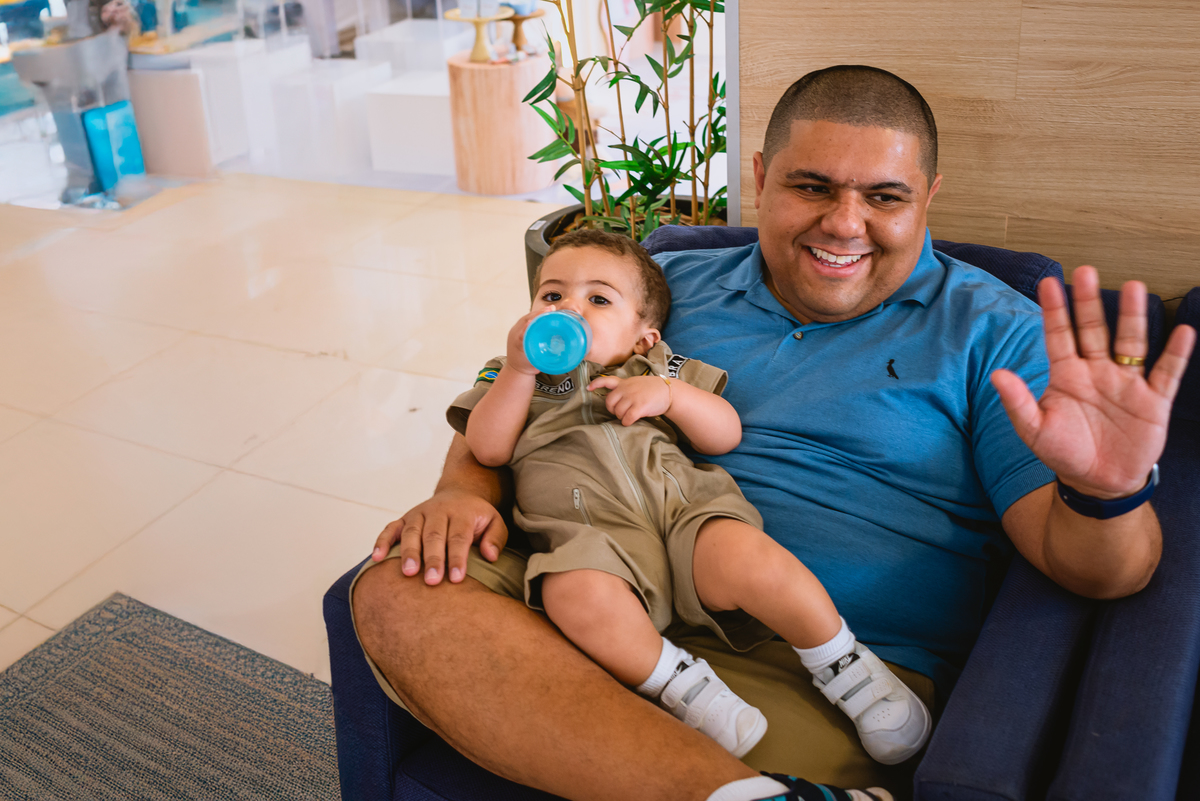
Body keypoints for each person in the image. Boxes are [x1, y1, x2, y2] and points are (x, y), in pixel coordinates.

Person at [351, 65, 1197, 801]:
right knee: (394, 590)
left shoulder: (997, 333)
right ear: (760, 177)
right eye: (813, 186)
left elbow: (1102, 571)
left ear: (929, 197)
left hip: (825, 666)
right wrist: (462, 488)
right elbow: (524, 383)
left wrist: (1106, 486)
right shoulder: (662, 284)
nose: (844, 223)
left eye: (886, 196)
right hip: (602, 594)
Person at [453, 228, 931, 766]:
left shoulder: (659, 369)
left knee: (750, 557)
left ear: (644, 338)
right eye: (552, 295)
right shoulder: (512, 378)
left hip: (683, 512)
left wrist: (670, 396)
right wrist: (518, 371)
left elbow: (724, 433)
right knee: (573, 596)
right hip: (587, 538)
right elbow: (488, 449)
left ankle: (843, 663)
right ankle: (681, 685)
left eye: (599, 299)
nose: (570, 310)